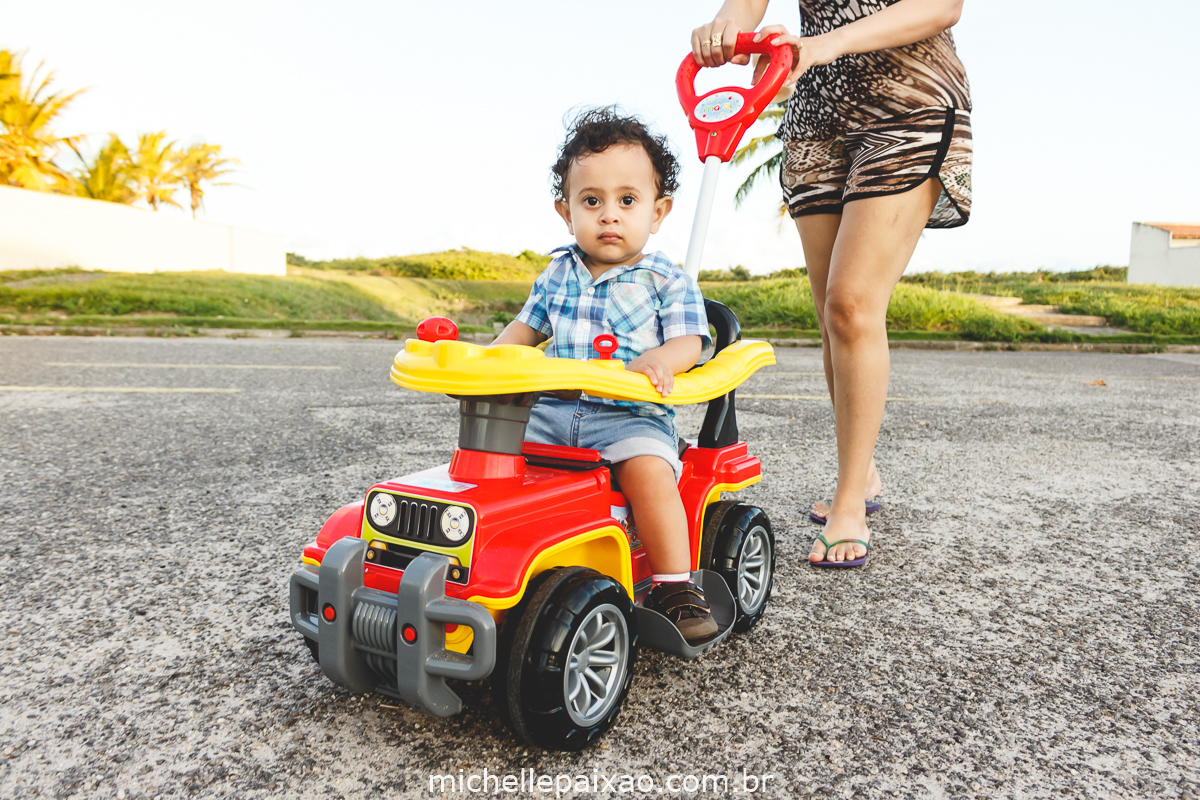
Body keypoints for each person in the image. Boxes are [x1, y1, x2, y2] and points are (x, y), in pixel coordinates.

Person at [691, 0, 972, 566]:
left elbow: (943, 6)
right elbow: (747, 4)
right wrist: (726, 28)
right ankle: (861, 470)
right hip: (816, 112)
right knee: (830, 315)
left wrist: (828, 42)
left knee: (852, 304)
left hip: (907, 104)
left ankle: (850, 502)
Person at [492, 108, 719, 643]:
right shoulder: (556, 273)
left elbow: (690, 340)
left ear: (658, 212)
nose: (609, 216)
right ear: (565, 211)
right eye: (591, 201)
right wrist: (483, 361)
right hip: (550, 412)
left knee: (649, 474)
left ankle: (674, 584)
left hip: (629, 416)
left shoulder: (667, 279)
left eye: (627, 200)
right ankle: (499, 563)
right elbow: (522, 332)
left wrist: (662, 359)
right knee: (494, 462)